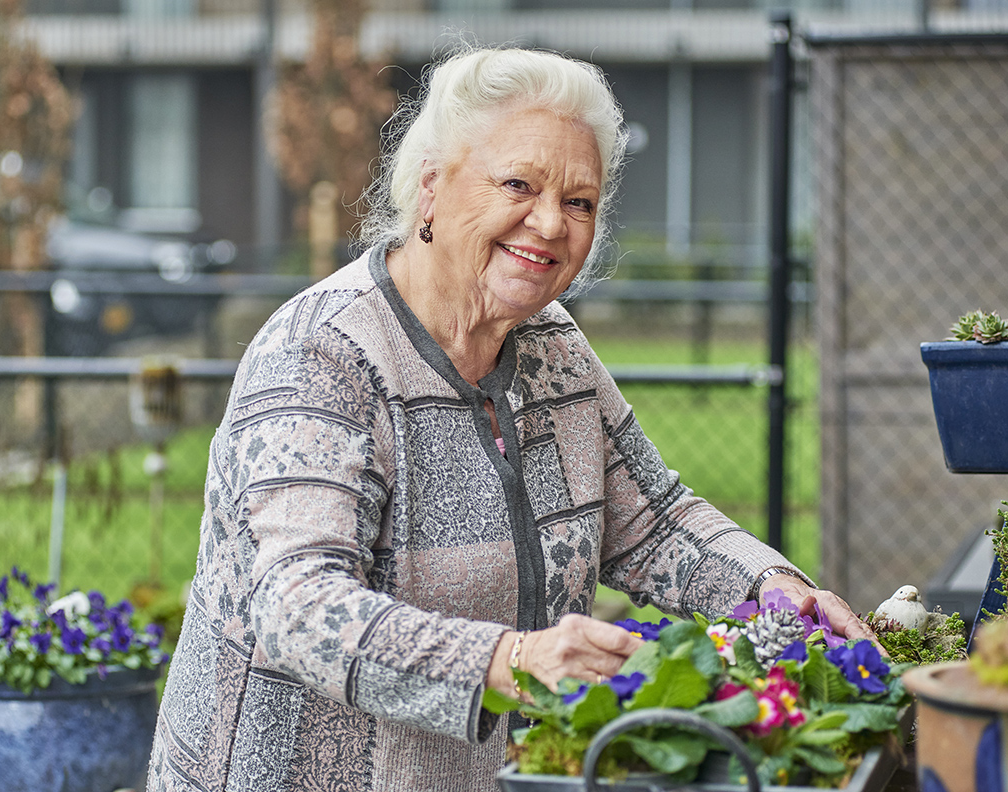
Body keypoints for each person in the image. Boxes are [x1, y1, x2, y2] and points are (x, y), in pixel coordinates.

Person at [146, 45, 875, 792]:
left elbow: (649, 520)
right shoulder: (323, 355)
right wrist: (511, 663)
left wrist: (770, 589)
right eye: (518, 184)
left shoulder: (551, 343)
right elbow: (300, 611)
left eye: (580, 201)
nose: (551, 223)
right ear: (431, 187)